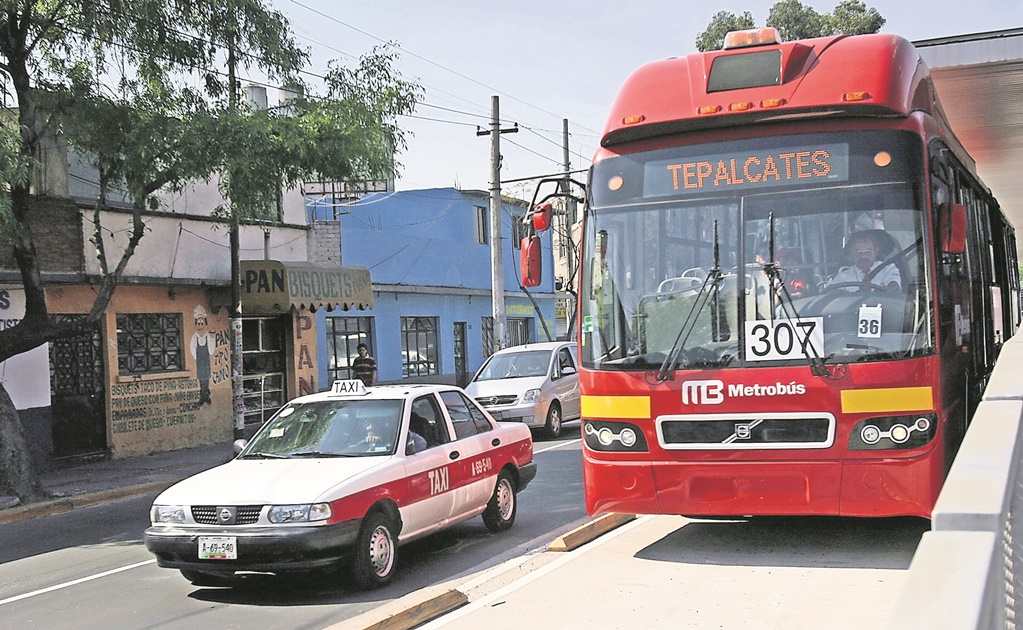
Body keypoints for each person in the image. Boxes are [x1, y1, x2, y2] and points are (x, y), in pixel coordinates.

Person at [827, 232, 901, 292]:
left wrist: (890, 288)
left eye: (868, 252)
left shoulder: (888, 269)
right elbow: (831, 292)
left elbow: (894, 284)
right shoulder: (843, 276)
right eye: (858, 252)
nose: (863, 256)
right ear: (851, 253)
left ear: (876, 251)